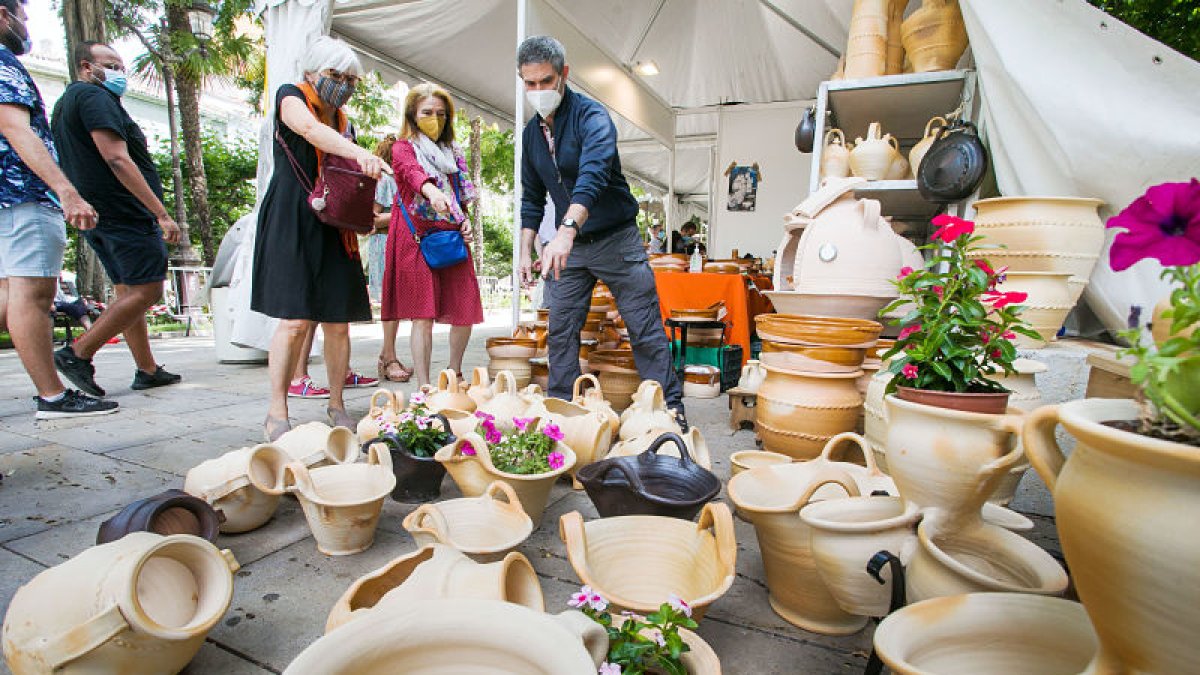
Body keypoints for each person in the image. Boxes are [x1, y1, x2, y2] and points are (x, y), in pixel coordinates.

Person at [516, 35, 685, 427]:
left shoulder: (593, 118)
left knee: (644, 328)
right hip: (569, 247)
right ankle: (563, 413)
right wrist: (525, 248)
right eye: (530, 83)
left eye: (546, 81)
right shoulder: (530, 135)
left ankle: (668, 410)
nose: (538, 91)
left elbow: (592, 177)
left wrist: (567, 229)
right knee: (560, 331)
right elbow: (531, 196)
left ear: (564, 75)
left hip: (615, 239)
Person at [251, 36, 386, 441]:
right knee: (293, 320)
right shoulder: (290, 96)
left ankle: (337, 404)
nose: (342, 84)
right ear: (312, 72)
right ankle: (277, 408)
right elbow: (308, 130)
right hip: (293, 213)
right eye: (334, 75)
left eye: (350, 79)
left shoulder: (345, 120)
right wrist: (357, 152)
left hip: (334, 221)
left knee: (338, 322)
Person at [0, 0, 116, 419]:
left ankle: (50, 393)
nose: (25, 23)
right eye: (22, 14)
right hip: (21, 193)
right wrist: (65, 190)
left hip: (9, 198)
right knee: (33, 296)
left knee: (11, 295)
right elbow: (15, 128)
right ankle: (51, 396)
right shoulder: (3, 63)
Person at [51, 40, 182, 397]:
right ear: (85, 67)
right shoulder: (95, 98)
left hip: (100, 213)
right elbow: (118, 159)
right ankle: (78, 353)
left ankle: (147, 368)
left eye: (121, 66)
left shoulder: (65, 104)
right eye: (109, 64)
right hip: (123, 211)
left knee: (128, 290)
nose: (117, 72)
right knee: (148, 289)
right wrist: (161, 213)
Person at [381, 83, 482, 388]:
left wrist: (464, 221)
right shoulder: (402, 148)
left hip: (450, 234)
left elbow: (461, 196)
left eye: (440, 113)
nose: (434, 118)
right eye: (427, 112)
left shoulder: (453, 151)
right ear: (412, 114)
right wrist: (431, 191)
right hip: (416, 236)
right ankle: (424, 387)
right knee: (421, 315)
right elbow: (412, 173)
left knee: (465, 308)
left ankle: (454, 374)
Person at [370, 135, 413, 383]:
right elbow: (372, 218)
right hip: (385, 244)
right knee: (390, 303)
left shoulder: (404, 180)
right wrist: (401, 213)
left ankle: (388, 355)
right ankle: (389, 357)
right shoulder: (385, 181)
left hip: (403, 243)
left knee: (397, 304)